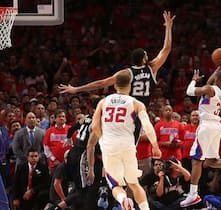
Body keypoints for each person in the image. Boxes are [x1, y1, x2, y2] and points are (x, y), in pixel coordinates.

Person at [58, 11, 175, 143]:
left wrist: (76, 89)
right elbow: (167, 49)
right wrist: (168, 28)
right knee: (130, 149)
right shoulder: (152, 68)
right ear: (144, 58)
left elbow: (101, 83)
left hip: (125, 113)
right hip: (137, 113)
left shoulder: (126, 73)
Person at [87, 71, 162, 210]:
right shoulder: (136, 103)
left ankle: (123, 200)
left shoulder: (103, 102)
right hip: (127, 145)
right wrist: (155, 146)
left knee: (115, 184)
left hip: (109, 145)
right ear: (130, 86)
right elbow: (147, 125)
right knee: (134, 183)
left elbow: (94, 126)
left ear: (115, 85)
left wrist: (103, 138)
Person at [180, 69, 221, 208]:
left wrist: (194, 80)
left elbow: (190, 91)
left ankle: (192, 194)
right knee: (210, 160)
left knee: (196, 160)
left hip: (206, 126)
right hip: (217, 126)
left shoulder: (209, 88)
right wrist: (218, 68)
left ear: (215, 79)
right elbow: (210, 83)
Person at [43, 109, 74, 175]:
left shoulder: (71, 130)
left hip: (69, 162)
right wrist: (54, 159)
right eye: (59, 116)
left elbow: (75, 145)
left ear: (65, 119)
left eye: (63, 116)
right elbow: (46, 148)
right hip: (54, 164)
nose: (61, 118)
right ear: (55, 119)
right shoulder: (49, 131)